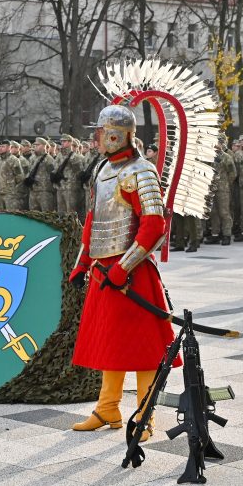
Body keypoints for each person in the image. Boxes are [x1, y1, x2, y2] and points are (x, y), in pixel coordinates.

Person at [69, 104, 175, 442]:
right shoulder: (102, 168)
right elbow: (93, 221)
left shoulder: (141, 172)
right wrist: (83, 263)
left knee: (143, 349)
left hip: (132, 275)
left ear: (116, 134)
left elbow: (154, 226)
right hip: (104, 272)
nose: (96, 138)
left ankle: (145, 416)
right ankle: (107, 408)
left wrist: (123, 267)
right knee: (110, 344)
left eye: (100, 132)